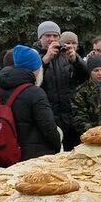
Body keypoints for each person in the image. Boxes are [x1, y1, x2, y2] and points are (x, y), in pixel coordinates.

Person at [0, 45, 61, 162]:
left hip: (6, 152)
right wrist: (57, 146)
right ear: (35, 69)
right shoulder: (35, 92)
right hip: (34, 157)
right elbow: (48, 128)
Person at [33, 21, 87, 150]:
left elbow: (85, 77)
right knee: (50, 156)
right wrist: (45, 60)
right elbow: (29, 80)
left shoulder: (66, 54)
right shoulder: (33, 55)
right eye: (47, 36)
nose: (52, 39)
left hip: (70, 114)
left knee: (75, 155)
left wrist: (76, 61)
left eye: (55, 36)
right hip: (47, 115)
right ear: (40, 38)